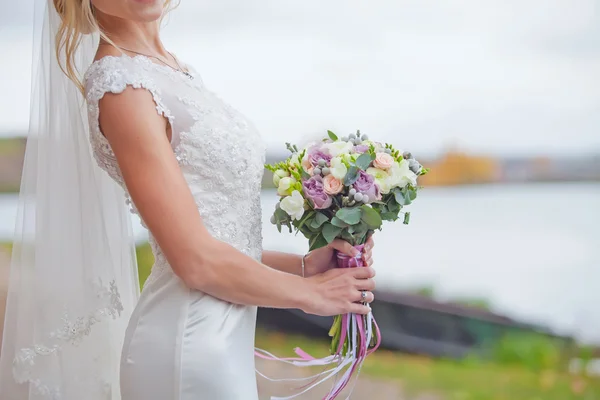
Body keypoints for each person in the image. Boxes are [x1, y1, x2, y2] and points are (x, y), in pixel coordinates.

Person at [0, 1, 376, 399]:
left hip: (221, 339)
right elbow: (193, 260)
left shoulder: (174, 71)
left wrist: (302, 267)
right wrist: (311, 295)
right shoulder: (122, 87)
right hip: (187, 343)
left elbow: (218, 236)